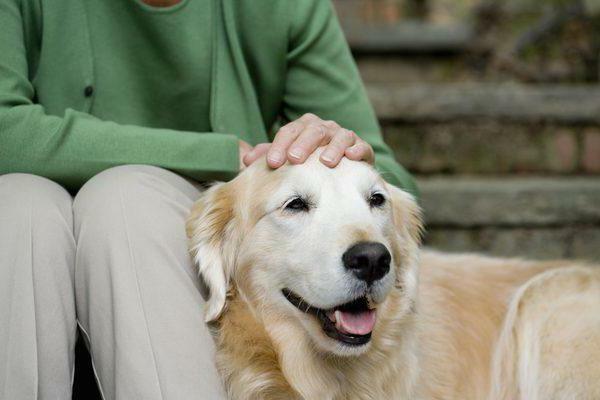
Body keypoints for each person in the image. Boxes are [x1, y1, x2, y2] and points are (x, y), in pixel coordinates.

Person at [0, 0, 417, 398]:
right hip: (33, 242)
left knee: (123, 202)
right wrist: (224, 154)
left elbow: (390, 181)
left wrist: (345, 150)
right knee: (18, 203)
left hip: (163, 236)